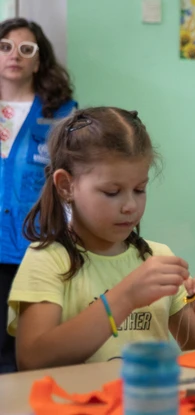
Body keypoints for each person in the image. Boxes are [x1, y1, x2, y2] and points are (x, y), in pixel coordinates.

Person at [7, 107, 195, 370]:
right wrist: (125, 297)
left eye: (139, 190)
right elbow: (32, 359)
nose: (129, 206)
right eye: (112, 192)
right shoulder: (48, 260)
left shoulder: (157, 258)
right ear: (66, 186)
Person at [0, 18, 76, 373]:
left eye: (25, 49)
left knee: (27, 351)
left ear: (38, 60)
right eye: (4, 47)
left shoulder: (61, 114)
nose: (14, 55)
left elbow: (74, 180)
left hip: (36, 245)